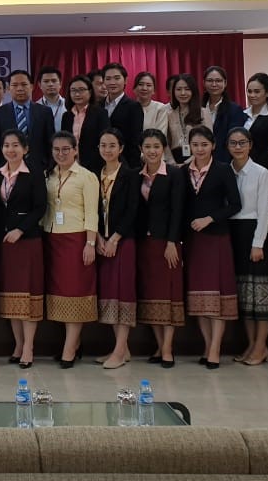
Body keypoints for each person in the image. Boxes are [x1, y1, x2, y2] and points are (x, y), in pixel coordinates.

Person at [178, 125, 241, 369]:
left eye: (204, 145)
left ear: (213, 145)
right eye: (195, 145)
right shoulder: (183, 171)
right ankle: (207, 345)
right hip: (193, 241)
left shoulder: (223, 170)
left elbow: (234, 204)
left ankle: (216, 348)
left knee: (217, 297)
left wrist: (210, 218)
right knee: (200, 298)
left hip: (216, 238)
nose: (200, 149)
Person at [44, 130, 99, 368]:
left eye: (66, 149)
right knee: (60, 294)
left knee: (76, 292)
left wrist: (90, 243)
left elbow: (92, 213)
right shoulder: (49, 175)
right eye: (56, 149)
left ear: (75, 150)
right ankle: (74, 344)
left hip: (76, 240)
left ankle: (69, 348)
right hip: (52, 239)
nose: (61, 154)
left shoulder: (86, 177)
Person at [0, 130, 47, 368]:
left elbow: (40, 207)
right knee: (11, 296)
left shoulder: (34, 173)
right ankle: (18, 344)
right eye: (6, 145)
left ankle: (29, 347)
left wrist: (21, 230)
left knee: (28, 295)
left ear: (25, 149)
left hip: (27, 241)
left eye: (16, 145)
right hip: (5, 243)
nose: (11, 150)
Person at [226, 126, 268, 365]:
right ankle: (251, 344)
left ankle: (261, 346)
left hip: (255, 233)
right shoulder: (225, 171)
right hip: (233, 233)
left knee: (260, 295)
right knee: (245, 296)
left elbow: (264, 211)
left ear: (250, 145)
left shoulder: (261, 172)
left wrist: (258, 243)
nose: (238, 147)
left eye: (242, 143)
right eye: (233, 143)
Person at [135, 129, 183, 367]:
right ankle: (159, 344)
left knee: (168, 295)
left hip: (167, 244)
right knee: (151, 295)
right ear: (141, 150)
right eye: (147, 147)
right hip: (144, 244)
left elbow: (178, 210)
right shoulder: (136, 175)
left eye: (156, 146)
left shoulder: (174, 174)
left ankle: (167, 348)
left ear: (163, 149)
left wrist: (172, 241)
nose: (152, 151)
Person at [94, 128, 140, 369]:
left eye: (112, 145)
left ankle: (120, 351)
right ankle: (122, 348)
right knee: (110, 295)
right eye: (103, 145)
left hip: (123, 242)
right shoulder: (95, 174)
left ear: (121, 148)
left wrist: (115, 238)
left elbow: (133, 210)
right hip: (103, 242)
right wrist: (98, 237)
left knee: (123, 294)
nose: (107, 150)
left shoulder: (130, 175)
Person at [0, 70, 53, 170]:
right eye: (15, 85)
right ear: (8, 88)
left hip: (39, 168)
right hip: (7, 168)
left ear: (31, 87)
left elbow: (50, 142)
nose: (19, 88)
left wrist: (49, 167)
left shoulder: (45, 112)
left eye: (24, 84)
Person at [61, 75, 109, 173]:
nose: (77, 94)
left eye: (81, 90)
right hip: (72, 165)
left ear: (90, 92)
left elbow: (105, 141)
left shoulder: (100, 113)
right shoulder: (67, 116)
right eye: (73, 90)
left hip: (94, 166)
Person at [202, 67, 246, 164]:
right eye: (210, 80)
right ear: (204, 83)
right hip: (199, 160)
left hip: (224, 161)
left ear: (225, 83)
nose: (214, 84)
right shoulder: (197, 108)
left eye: (218, 81)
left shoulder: (234, 110)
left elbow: (233, 140)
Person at [102, 63, 144, 167]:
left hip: (125, 163)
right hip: (101, 162)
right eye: (108, 79)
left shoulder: (134, 107)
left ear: (125, 80)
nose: (112, 82)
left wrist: (131, 168)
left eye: (117, 78)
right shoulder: (97, 105)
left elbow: (135, 141)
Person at [166, 74, 206, 164]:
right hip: (175, 162)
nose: (183, 93)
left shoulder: (203, 112)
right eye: (178, 89)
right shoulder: (169, 114)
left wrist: (187, 163)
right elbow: (166, 142)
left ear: (193, 91)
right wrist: (172, 162)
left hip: (198, 160)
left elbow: (208, 142)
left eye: (187, 89)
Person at [133, 72, 171, 143]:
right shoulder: (128, 108)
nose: (144, 88)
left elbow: (161, 135)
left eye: (149, 85)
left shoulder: (161, 108)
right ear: (134, 89)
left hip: (154, 147)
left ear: (154, 90)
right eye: (140, 84)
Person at [36, 66, 66, 132]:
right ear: (39, 85)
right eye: (46, 81)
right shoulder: (35, 107)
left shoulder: (68, 105)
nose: (50, 84)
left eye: (54, 81)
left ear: (60, 84)